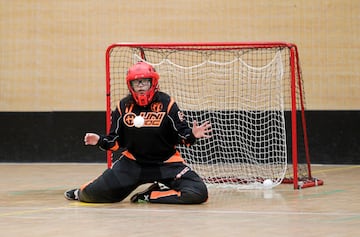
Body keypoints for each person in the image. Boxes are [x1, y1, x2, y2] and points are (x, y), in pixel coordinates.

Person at [64, 62, 212, 204]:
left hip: (167, 164)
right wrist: (99, 140)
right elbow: (115, 143)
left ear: (153, 83)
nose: (141, 86)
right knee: (90, 195)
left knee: (198, 193)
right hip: (132, 164)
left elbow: (184, 138)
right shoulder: (123, 106)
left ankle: (150, 195)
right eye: (136, 83)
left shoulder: (167, 103)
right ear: (130, 86)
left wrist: (192, 135)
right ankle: (79, 192)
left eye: (144, 82)